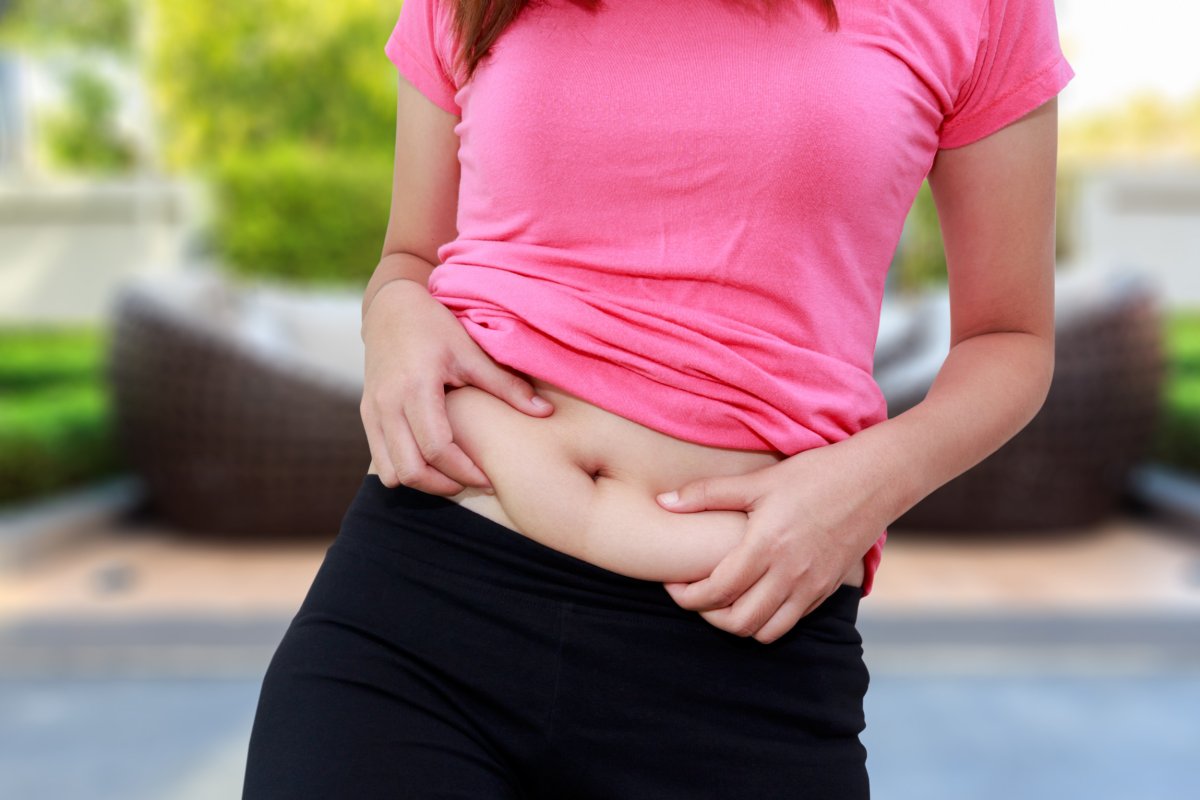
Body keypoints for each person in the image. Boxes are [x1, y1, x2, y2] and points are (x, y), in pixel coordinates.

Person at [242, 0, 1074, 797]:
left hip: (745, 636)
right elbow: (410, 258)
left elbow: (1010, 342)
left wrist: (862, 490)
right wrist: (391, 317)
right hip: (423, 595)